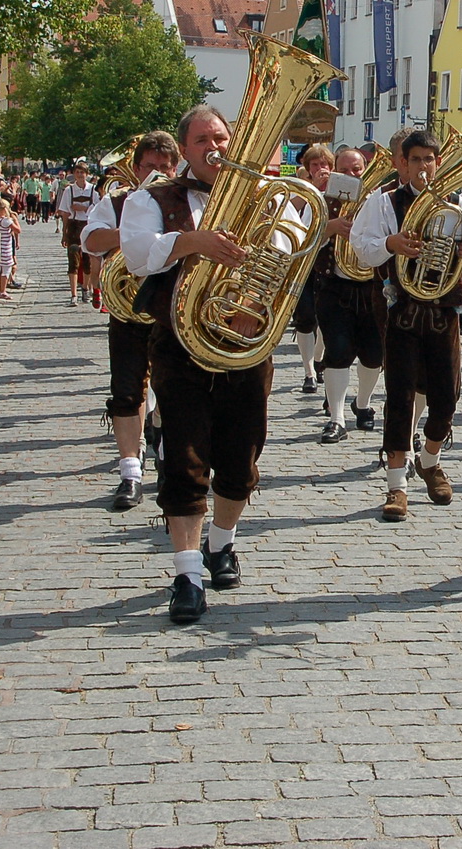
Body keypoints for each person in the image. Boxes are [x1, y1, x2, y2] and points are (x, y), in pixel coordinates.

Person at [119, 105, 284, 624]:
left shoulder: (267, 197)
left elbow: (285, 259)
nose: (215, 147)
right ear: (185, 150)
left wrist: (256, 313)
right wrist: (193, 241)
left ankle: (222, 544)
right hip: (180, 346)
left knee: (242, 458)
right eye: (203, 140)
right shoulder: (152, 198)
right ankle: (186, 573)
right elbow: (138, 255)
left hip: (244, 344)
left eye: (221, 136)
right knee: (186, 459)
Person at [352, 130, 462, 520]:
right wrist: (391, 244)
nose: (423, 167)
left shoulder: (454, 203)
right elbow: (360, 248)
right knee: (399, 397)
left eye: (429, 160)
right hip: (399, 307)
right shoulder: (382, 203)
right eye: (415, 160)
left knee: (447, 397)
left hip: (442, 308)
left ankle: (430, 460)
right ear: (401, 163)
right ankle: (396, 485)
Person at [80, 130, 179, 511]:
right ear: (137, 169)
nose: (156, 173)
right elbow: (91, 240)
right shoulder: (117, 201)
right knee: (126, 391)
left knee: (172, 389)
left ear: (175, 168)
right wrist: (132, 234)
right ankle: (130, 471)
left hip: (172, 310)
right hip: (128, 310)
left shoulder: (183, 201)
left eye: (164, 167)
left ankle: (170, 461)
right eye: (150, 167)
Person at [316, 146, 386, 440]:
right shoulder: (322, 202)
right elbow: (302, 243)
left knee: (373, 355)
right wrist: (329, 228)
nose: (352, 175)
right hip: (334, 285)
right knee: (338, 351)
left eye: (357, 169)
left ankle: (364, 404)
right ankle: (337, 418)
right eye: (344, 170)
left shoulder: (380, 201)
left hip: (371, 286)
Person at [291, 143, 334, 396]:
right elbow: (302, 229)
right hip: (305, 264)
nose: (320, 169)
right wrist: (314, 189)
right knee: (305, 319)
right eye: (315, 165)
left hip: (328, 264)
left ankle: (318, 359)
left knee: (324, 320)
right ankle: (309, 372)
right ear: (307, 169)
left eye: (324, 164)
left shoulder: (341, 191)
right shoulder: (303, 191)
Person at [56, 163, 100, 307]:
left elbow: (97, 209)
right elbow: (65, 213)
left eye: (82, 172)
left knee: (87, 261)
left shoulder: (93, 190)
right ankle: (73, 294)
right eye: (78, 172)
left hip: (88, 226)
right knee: (73, 260)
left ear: (87, 174)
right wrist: (64, 233)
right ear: (74, 174)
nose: (80, 175)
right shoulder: (69, 190)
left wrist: (83, 207)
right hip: (74, 226)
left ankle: (85, 288)